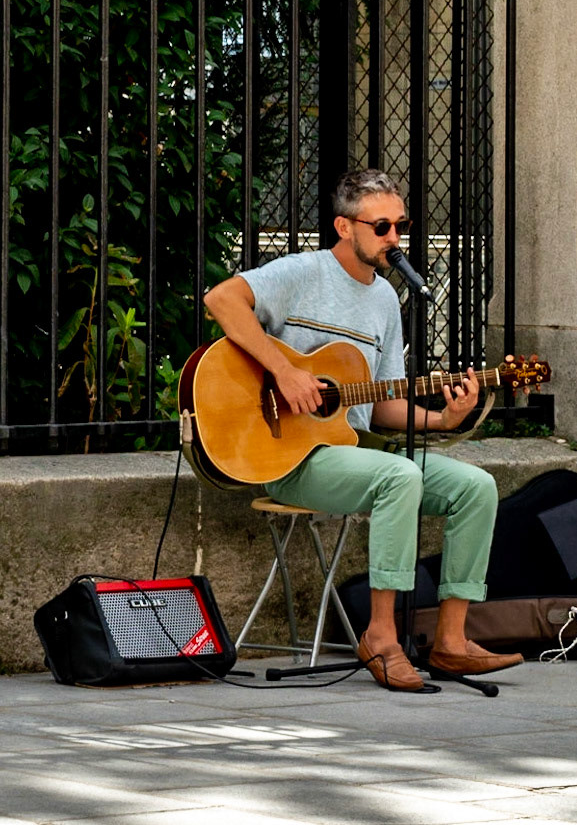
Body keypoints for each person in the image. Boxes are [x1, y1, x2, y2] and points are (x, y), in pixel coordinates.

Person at [203, 167, 522, 692]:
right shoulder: (302, 273)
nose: (395, 239)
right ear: (344, 227)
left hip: (352, 451)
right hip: (290, 456)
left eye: (401, 225)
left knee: (476, 487)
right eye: (382, 227)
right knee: (399, 477)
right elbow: (221, 299)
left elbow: (381, 409)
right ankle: (380, 636)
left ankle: (450, 642)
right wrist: (284, 371)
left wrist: (444, 419)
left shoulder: (385, 302)